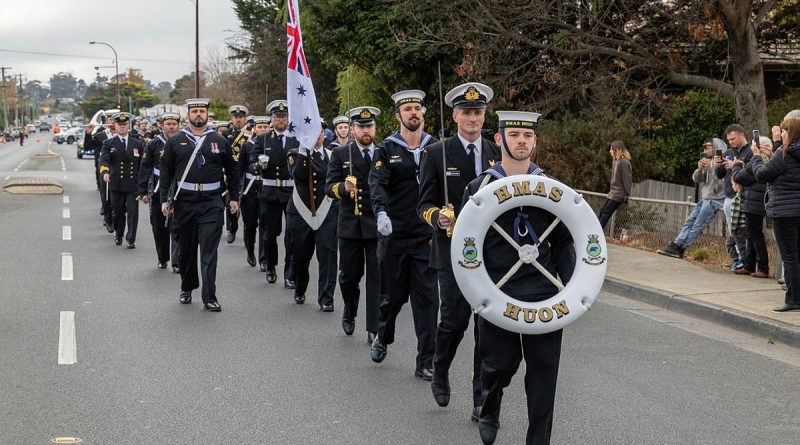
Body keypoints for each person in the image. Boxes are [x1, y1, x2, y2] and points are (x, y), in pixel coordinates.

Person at [462, 110, 574, 445]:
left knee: (543, 375)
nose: (521, 141)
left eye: (527, 136)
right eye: (514, 135)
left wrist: (570, 289)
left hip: (543, 291)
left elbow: (566, 240)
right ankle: (490, 403)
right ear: (499, 139)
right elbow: (466, 245)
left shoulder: (552, 190)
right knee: (499, 366)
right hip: (497, 290)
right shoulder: (479, 187)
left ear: (535, 141)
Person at [417, 82, 500, 420]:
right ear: (454, 115)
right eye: (466, 112)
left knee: (487, 328)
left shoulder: (498, 154)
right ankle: (440, 368)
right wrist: (437, 216)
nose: (472, 118)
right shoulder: (436, 153)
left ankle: (480, 396)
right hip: (451, 253)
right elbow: (423, 204)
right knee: (454, 322)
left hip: (492, 255)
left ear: (484, 116)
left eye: (478, 112)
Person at [368, 90, 438, 381]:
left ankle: (426, 360)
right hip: (394, 236)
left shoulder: (436, 147)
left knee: (427, 300)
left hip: (425, 237)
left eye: (417, 108)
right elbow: (378, 183)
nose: (413, 113)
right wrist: (381, 212)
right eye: (407, 109)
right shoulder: (386, 149)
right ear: (398, 115)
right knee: (392, 298)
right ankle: (383, 336)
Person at [158, 98, 240, 311]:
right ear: (188, 115)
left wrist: (234, 198)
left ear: (207, 115)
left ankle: (209, 296)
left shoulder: (219, 140)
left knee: (209, 250)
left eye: (202, 111)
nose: (198, 115)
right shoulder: (175, 141)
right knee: (186, 250)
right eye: (195, 111)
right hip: (184, 202)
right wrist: (165, 201)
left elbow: (232, 171)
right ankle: (187, 287)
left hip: (211, 202)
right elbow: (166, 172)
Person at [326, 106, 382, 342]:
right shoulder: (341, 154)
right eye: (360, 127)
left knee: (377, 278)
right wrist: (343, 188)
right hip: (350, 224)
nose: (366, 130)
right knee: (349, 276)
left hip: (377, 224)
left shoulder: (383, 153)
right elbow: (329, 188)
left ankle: (374, 327)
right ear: (353, 130)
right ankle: (349, 309)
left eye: (369, 126)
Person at [750, 119, 800, 312]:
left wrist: (755, 157)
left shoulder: (784, 154)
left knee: (789, 256)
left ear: (791, 132)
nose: (782, 134)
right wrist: (774, 151)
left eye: (784, 130)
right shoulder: (786, 153)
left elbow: (762, 174)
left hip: (785, 212)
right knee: (798, 256)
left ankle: (794, 300)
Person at [288, 129, 339, 307]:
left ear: (324, 135)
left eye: (319, 132)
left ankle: (326, 299)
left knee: (328, 256)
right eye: (313, 131)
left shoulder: (333, 156)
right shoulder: (296, 154)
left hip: (327, 212)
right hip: (301, 213)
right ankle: (300, 288)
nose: (316, 136)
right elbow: (299, 175)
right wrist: (304, 151)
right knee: (302, 256)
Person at [254, 100, 298, 288]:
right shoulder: (263, 139)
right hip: (270, 191)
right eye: (277, 116)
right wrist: (258, 165)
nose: (281, 119)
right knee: (270, 234)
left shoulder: (297, 138)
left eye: (284, 116)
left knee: (292, 235)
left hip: (291, 191)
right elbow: (251, 164)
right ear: (272, 118)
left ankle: (290, 274)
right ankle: (271, 267)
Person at [657, 138, 726, 258]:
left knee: (697, 225)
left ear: (715, 147)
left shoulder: (722, 163)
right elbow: (696, 179)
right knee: (689, 221)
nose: (704, 149)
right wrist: (700, 169)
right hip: (705, 199)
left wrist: (711, 168)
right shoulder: (707, 161)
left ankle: (681, 247)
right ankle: (677, 245)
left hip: (715, 200)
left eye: (707, 147)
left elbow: (723, 184)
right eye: (704, 147)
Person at [137, 112, 181, 271]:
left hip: (177, 189)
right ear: (162, 126)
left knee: (177, 225)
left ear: (178, 126)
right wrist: (142, 191)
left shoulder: (183, 142)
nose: (171, 127)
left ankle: (177, 261)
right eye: (168, 124)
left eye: (174, 124)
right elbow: (145, 167)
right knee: (158, 226)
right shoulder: (153, 144)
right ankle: (162, 258)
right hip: (157, 189)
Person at [99, 113, 144, 248]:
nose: (122, 127)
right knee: (118, 212)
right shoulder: (109, 143)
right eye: (120, 125)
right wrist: (105, 172)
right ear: (115, 126)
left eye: (125, 125)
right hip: (116, 183)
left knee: (133, 212)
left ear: (128, 126)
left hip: (132, 184)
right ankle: (119, 234)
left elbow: (143, 163)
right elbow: (104, 160)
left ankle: (131, 238)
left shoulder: (137, 143)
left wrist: (144, 182)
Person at [731, 124, 770, 278]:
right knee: (752, 234)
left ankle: (762, 267)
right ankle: (750, 265)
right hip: (758, 202)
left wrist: (736, 166)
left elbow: (739, 177)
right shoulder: (767, 163)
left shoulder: (756, 163)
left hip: (753, 202)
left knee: (755, 235)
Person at [238, 115, 270, 268]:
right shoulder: (247, 146)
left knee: (265, 224)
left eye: (265, 127)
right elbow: (240, 169)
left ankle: (263, 259)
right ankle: (250, 251)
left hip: (265, 187)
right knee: (250, 224)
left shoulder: (272, 144)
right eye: (260, 127)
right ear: (254, 129)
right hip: (250, 188)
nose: (263, 129)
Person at [223, 104, 251, 244]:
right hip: (231, 172)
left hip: (246, 171)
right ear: (232, 119)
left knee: (247, 205)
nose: (238, 120)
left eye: (240, 117)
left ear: (245, 118)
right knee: (230, 201)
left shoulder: (251, 133)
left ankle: (248, 233)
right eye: (235, 117)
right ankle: (231, 229)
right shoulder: (225, 134)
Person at [597, 140, 632, 229]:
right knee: (602, 211)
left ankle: (596, 233)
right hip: (612, 192)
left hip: (619, 194)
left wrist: (627, 195)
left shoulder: (624, 162)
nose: (610, 151)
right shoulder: (615, 161)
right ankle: (595, 231)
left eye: (611, 149)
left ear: (617, 150)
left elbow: (627, 180)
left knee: (606, 213)